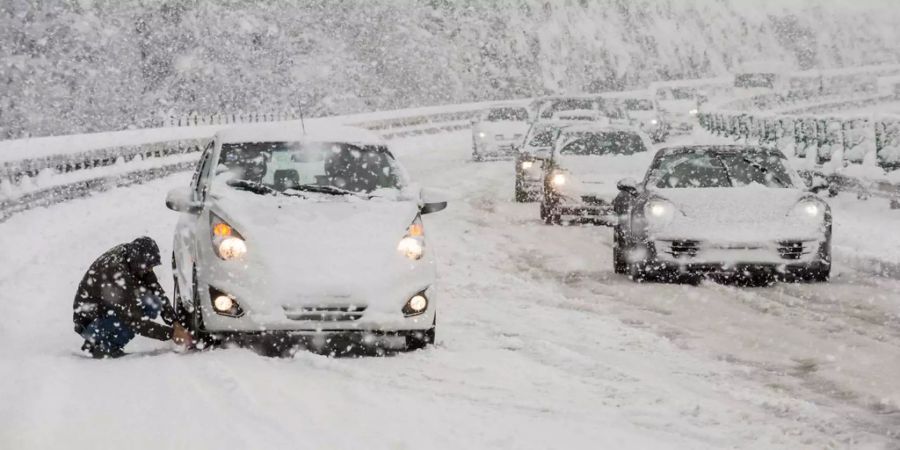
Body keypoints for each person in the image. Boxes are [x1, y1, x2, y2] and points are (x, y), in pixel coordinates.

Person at [73, 236, 188, 358]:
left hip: (106, 308)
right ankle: (101, 346)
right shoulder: (116, 272)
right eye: (147, 267)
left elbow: (156, 290)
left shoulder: (134, 258)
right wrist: (171, 334)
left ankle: (100, 342)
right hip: (89, 321)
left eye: (151, 267)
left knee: (152, 303)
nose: (149, 270)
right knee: (132, 315)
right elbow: (134, 321)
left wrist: (174, 321)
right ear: (137, 261)